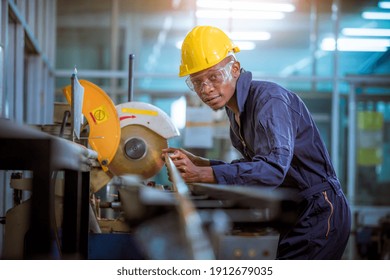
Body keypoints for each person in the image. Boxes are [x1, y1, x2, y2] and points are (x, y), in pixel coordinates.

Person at [162, 25, 351, 260]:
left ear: (235, 68)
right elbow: (254, 166)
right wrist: (202, 163)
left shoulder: (268, 102)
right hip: (294, 208)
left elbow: (272, 170)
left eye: (213, 77)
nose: (206, 89)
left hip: (320, 209)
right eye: (197, 82)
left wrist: (201, 174)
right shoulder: (235, 111)